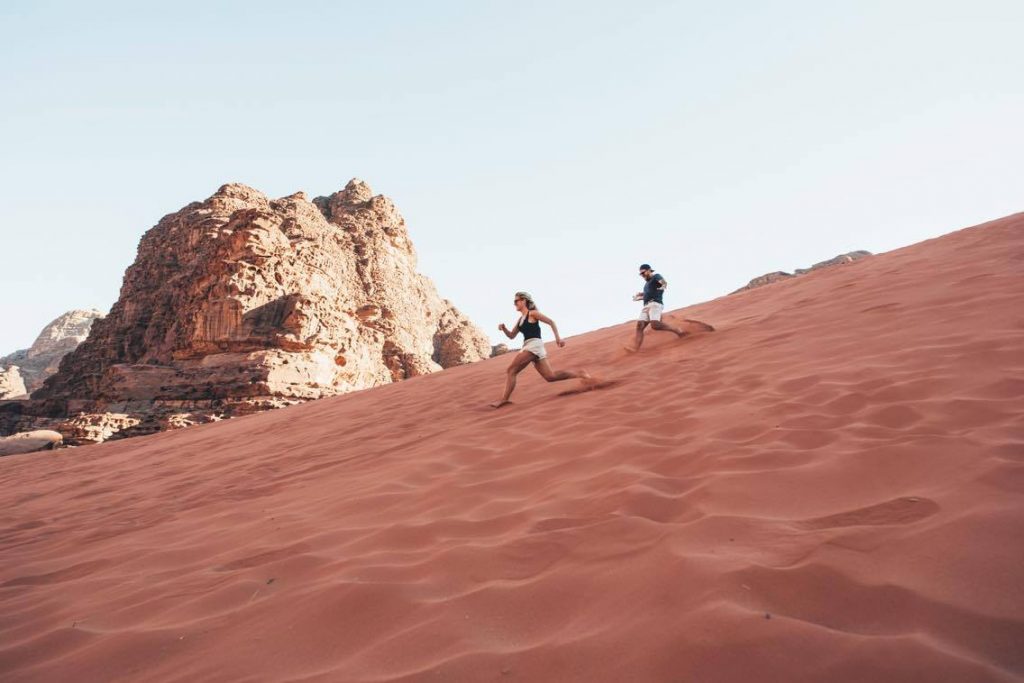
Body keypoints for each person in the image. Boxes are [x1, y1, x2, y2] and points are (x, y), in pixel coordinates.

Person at [491, 291, 591, 408]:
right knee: (550, 377)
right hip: (530, 346)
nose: (515, 304)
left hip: (534, 345)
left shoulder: (533, 313)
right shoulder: (520, 320)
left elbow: (551, 322)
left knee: (511, 370)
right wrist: (504, 328)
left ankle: (504, 399)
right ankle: (580, 374)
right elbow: (512, 336)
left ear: (524, 301)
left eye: (516, 301)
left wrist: (558, 339)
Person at [628, 263, 689, 351]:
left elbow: (663, 283)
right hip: (646, 306)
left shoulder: (656, 276)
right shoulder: (646, 285)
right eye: (640, 274)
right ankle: (635, 348)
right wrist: (640, 297)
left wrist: (663, 286)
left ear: (649, 270)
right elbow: (648, 295)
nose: (642, 275)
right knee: (639, 326)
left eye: (643, 272)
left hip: (655, 304)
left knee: (655, 325)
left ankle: (678, 330)